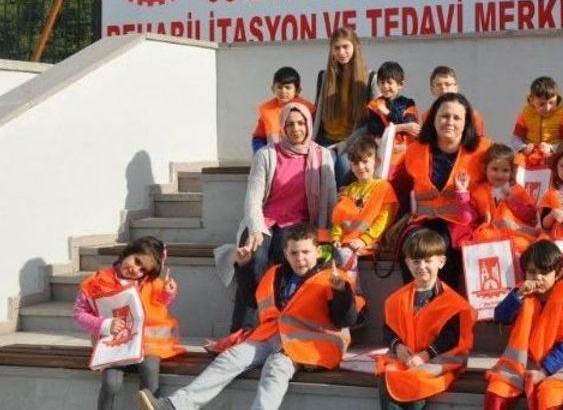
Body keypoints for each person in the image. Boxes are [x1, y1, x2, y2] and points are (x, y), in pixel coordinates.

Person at [140, 224, 357, 410]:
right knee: (230, 358)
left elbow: (346, 320)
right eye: (294, 253)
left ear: (317, 251)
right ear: (285, 253)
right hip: (270, 337)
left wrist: (341, 292)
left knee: (276, 367)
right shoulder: (276, 273)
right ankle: (175, 405)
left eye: (305, 252)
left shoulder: (334, 278)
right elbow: (253, 301)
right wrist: (244, 267)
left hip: (310, 346)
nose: (300, 258)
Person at [225, 102, 337, 332]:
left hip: (297, 224)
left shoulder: (322, 155)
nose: (296, 129)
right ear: (283, 127)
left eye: (301, 123)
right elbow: (253, 197)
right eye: (290, 124)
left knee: (283, 257)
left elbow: (330, 198)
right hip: (264, 221)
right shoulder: (266, 154)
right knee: (253, 259)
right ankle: (240, 331)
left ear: (308, 125)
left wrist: (328, 232)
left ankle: (277, 327)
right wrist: (255, 228)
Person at [392, 92, 492, 290]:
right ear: (434, 119)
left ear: (466, 123)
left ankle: (445, 305)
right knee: (414, 248)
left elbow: (500, 185)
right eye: (444, 116)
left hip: (461, 226)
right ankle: (415, 303)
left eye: (457, 118)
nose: (450, 122)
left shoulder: (484, 151)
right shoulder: (414, 150)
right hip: (422, 222)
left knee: (440, 251)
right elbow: (398, 189)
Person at [76, 236, 183, 410]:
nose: (136, 269)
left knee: (150, 374)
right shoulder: (95, 283)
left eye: (143, 270)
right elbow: (79, 314)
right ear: (128, 252)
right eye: (137, 261)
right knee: (111, 384)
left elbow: (158, 304)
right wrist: (104, 325)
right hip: (113, 347)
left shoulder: (149, 283)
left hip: (146, 346)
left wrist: (168, 293)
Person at [377, 229, 475, 410]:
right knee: (388, 375)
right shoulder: (395, 300)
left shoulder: (455, 304)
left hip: (440, 359)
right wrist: (397, 347)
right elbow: (388, 330)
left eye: (428, 261)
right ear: (407, 263)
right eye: (416, 261)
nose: (421, 266)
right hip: (406, 357)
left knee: (415, 379)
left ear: (441, 262)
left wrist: (424, 356)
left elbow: (451, 338)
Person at [484, 240, 563, 410]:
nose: (538, 278)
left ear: (559, 273)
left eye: (544, 273)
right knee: (497, 391)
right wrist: (518, 295)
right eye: (532, 272)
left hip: (559, 366)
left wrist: (544, 372)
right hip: (519, 364)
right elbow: (500, 317)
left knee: (549, 396)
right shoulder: (521, 292)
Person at [330, 135, 398, 288]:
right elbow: (339, 219)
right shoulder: (348, 190)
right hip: (347, 240)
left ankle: (353, 293)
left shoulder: (384, 187)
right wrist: (335, 237)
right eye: (355, 163)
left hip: (371, 241)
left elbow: (383, 219)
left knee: (344, 256)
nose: (360, 167)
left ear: (376, 161)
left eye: (365, 161)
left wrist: (364, 240)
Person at [469, 144, 540, 254]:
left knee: (526, 244)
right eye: (495, 169)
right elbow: (472, 218)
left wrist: (511, 200)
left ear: (511, 172)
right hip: (492, 236)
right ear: (485, 168)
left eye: (505, 170)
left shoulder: (517, 190)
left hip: (517, 234)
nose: (499, 174)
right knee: (482, 236)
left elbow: (531, 216)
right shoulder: (479, 191)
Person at [314, 26, 374, 149]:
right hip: (324, 142)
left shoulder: (370, 78)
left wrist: (347, 142)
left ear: (355, 46)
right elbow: (317, 116)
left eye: (345, 46)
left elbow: (374, 122)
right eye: (337, 48)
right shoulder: (324, 76)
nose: (341, 52)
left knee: (344, 162)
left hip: (354, 143)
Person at [360, 61, 421, 173]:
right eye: (382, 82)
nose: (385, 86)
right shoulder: (374, 105)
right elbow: (375, 129)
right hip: (382, 153)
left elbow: (412, 127)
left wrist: (387, 113)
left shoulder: (408, 103)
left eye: (389, 82)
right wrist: (402, 127)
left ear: (400, 84)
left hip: (403, 153)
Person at [512, 76, 563, 168]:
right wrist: (523, 147)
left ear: (557, 98)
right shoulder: (525, 114)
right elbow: (515, 139)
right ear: (532, 100)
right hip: (530, 155)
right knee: (516, 162)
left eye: (551, 103)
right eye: (542, 104)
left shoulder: (562, 115)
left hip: (553, 155)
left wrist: (551, 148)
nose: (547, 108)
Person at [252, 66, 316, 154]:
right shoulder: (267, 110)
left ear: (298, 90)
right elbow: (258, 137)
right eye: (279, 87)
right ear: (273, 89)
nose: (283, 91)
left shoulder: (307, 109)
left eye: (288, 87)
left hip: (301, 155)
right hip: (274, 155)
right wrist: (259, 151)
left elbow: (316, 136)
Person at [426, 65, 486, 135]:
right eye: (439, 85)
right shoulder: (426, 116)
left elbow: (478, 140)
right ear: (432, 89)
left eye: (447, 84)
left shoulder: (472, 115)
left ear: (456, 88)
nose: (444, 89)